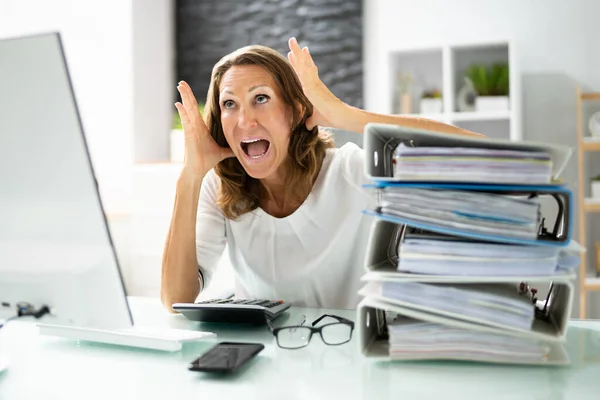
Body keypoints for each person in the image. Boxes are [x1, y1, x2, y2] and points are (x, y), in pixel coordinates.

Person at [160, 37, 484, 312]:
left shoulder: (350, 171)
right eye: (229, 104)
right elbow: (176, 298)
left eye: (261, 98)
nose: (245, 120)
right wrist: (190, 176)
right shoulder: (220, 186)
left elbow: (483, 156)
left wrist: (345, 115)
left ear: (296, 111)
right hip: (262, 364)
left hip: (345, 361)